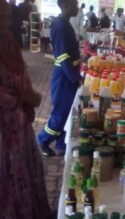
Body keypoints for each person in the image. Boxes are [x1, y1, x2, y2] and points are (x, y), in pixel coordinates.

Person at [0, 0, 51, 219]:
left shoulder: (9, 41)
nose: (5, 24)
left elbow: (22, 72)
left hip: (19, 120)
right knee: (9, 177)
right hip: (4, 125)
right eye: (0, 19)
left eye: (7, 18)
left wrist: (29, 95)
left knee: (27, 169)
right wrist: (21, 98)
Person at [37, 0, 82, 157]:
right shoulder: (61, 26)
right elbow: (63, 56)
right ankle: (43, 140)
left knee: (69, 110)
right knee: (61, 111)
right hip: (64, 76)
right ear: (65, 6)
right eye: (74, 4)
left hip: (67, 74)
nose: (77, 7)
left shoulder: (64, 23)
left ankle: (62, 143)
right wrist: (75, 77)